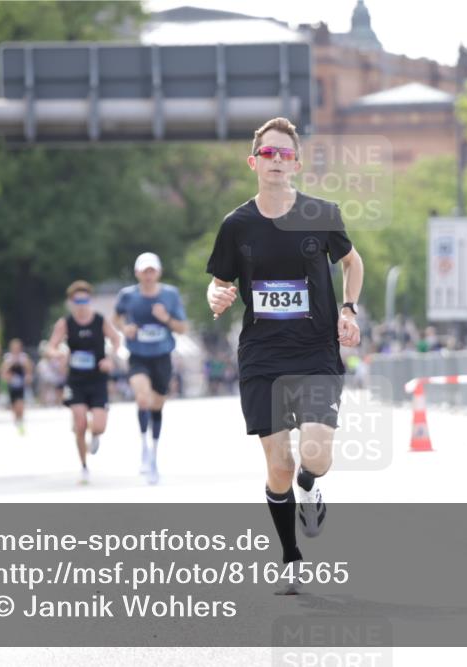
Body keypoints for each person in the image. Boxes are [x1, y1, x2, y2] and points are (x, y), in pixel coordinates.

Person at [205, 117, 363, 594]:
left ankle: (311, 489)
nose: (276, 161)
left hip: (316, 348)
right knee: (278, 466)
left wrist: (349, 308)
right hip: (262, 355)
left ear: (296, 162)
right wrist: (216, 295)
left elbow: (352, 262)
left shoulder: (322, 214)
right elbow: (220, 281)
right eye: (267, 154)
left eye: (284, 154)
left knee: (315, 454)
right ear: (254, 162)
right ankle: (291, 557)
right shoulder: (237, 225)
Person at [114, 252, 188, 484]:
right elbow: (116, 318)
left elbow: (182, 328)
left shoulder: (170, 295)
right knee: (143, 399)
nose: (148, 275)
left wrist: (166, 318)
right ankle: (144, 447)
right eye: (144, 271)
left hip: (162, 356)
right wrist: (125, 328)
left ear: (158, 272)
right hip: (138, 356)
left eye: (152, 271)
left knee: (157, 405)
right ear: (137, 273)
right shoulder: (127, 295)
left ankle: (154, 449)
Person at [47, 281, 122, 484]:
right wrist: (58, 354)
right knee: (80, 423)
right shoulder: (65, 323)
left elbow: (116, 340)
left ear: (90, 300)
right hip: (76, 380)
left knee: (99, 426)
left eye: (85, 300)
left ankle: (94, 434)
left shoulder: (99, 321)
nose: (82, 304)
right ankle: (84, 466)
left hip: (97, 379)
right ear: (71, 302)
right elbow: (50, 347)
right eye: (78, 300)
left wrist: (110, 358)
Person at [1, 338, 33, 434]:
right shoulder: (8, 358)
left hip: (21, 385)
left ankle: (21, 421)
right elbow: (3, 373)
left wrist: (27, 378)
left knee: (20, 404)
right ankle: (17, 421)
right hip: (12, 386)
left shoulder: (24, 358)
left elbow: (29, 370)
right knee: (14, 406)